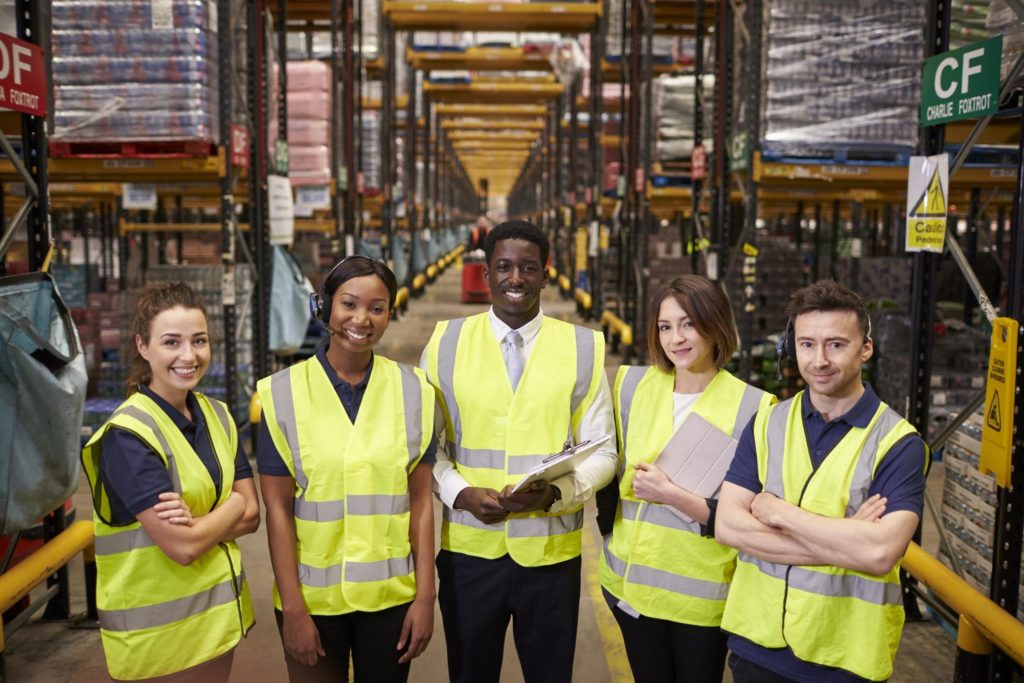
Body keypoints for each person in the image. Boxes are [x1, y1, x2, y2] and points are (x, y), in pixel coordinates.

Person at [421, 219, 617, 683]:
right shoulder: (445, 342)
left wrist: (557, 496)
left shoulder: (583, 347)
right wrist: (460, 493)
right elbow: (426, 450)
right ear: (486, 274)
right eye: (504, 267)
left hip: (550, 556)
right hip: (470, 553)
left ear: (546, 274)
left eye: (528, 267)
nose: (516, 278)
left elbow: (603, 454)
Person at [716, 280, 927, 683]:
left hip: (844, 658)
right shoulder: (766, 424)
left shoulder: (898, 443)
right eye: (807, 344)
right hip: (756, 645)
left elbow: (881, 553)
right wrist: (846, 540)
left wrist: (777, 512)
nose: (819, 360)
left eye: (836, 344)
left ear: (866, 348)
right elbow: (727, 526)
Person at [257, 255, 437, 683]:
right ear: (325, 307)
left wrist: (426, 596)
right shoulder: (282, 394)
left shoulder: (415, 391)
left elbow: (421, 502)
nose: (362, 319)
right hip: (314, 604)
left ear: (390, 314)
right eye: (349, 304)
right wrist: (294, 609)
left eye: (377, 308)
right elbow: (277, 511)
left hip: (390, 599)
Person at [595, 275, 774, 683]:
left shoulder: (755, 407)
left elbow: (750, 513)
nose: (676, 338)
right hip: (631, 587)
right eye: (665, 326)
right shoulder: (633, 386)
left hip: (703, 596)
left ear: (715, 325)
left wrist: (671, 495)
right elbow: (611, 471)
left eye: (689, 323)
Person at [81, 282, 258, 682]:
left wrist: (208, 520)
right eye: (171, 342)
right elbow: (183, 545)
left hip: (215, 624)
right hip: (156, 639)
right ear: (143, 346)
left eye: (199, 341)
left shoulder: (218, 416)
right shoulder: (128, 436)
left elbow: (253, 516)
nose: (188, 356)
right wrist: (229, 506)